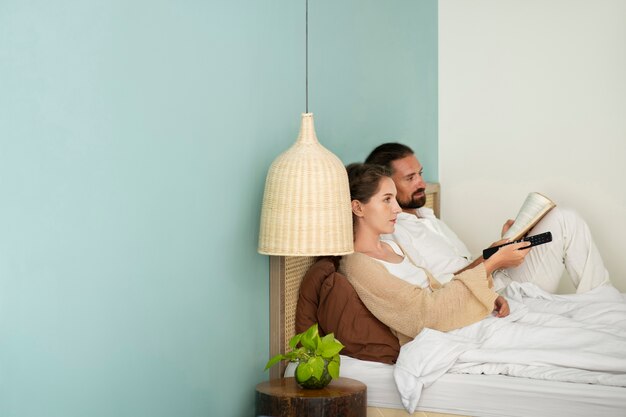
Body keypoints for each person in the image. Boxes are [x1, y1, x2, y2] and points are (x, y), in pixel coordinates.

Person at [365, 143, 612, 293]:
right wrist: (493, 258)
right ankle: (601, 305)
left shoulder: (427, 216)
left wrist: (504, 243)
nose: (421, 183)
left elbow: (462, 263)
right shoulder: (394, 233)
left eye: (420, 174)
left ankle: (600, 299)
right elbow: (443, 288)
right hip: (487, 289)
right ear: (386, 184)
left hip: (494, 274)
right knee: (564, 221)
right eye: (410, 178)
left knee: (563, 219)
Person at [339, 163, 532, 345]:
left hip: (454, 321)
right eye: (387, 199)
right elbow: (424, 315)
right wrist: (492, 263)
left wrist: (483, 295)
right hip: (440, 333)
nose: (397, 208)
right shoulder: (358, 264)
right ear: (357, 207)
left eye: (395, 199)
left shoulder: (392, 247)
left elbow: (437, 288)